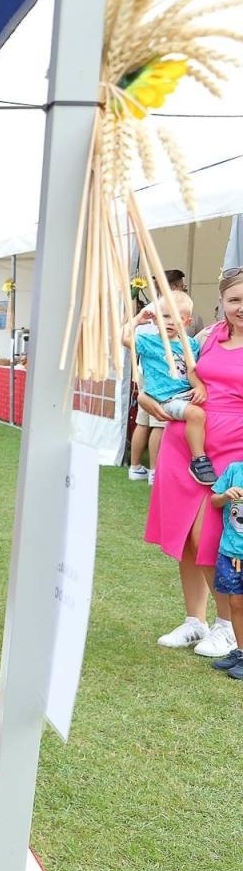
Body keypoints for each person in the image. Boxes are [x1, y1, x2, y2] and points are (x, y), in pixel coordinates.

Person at [146, 268, 243, 658]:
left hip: (232, 450)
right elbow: (162, 369)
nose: (241, 308)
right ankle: (194, 620)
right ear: (221, 301)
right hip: (185, 439)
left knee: (212, 537)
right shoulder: (208, 337)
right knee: (185, 535)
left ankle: (228, 627)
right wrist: (149, 401)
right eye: (235, 300)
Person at [124, 290, 209, 484]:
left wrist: (199, 387)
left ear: (187, 322)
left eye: (177, 318)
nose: (170, 322)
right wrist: (137, 319)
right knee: (195, 416)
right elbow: (123, 338)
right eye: (165, 316)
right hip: (164, 399)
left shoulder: (191, 345)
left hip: (184, 395)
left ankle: (177, 466)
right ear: (155, 319)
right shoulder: (148, 342)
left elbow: (191, 372)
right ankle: (199, 461)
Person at [129, 270, 189, 482]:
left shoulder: (157, 306)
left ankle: (136, 466)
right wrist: (137, 320)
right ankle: (154, 471)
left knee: (144, 422)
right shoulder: (161, 308)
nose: (182, 287)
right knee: (157, 424)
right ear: (172, 286)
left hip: (150, 376)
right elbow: (128, 339)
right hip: (161, 380)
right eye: (180, 284)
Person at [207, 462, 243, 676]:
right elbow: (214, 501)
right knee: (235, 602)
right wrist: (225, 496)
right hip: (230, 552)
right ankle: (240, 651)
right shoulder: (234, 470)